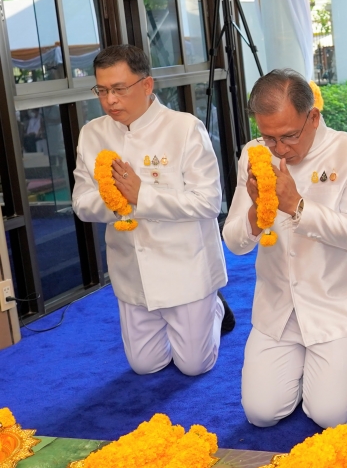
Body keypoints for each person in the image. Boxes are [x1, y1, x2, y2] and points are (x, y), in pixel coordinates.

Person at [223, 69, 347, 429]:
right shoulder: (253, 153)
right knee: (261, 414)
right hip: (277, 308)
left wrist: (296, 205)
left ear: (313, 117)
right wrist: (255, 211)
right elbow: (233, 241)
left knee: (329, 416)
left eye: (289, 136)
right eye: (269, 137)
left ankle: (342, 363)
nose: (279, 149)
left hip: (338, 307)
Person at [72, 45, 232, 377]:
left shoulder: (184, 128)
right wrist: (119, 202)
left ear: (147, 85)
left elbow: (208, 201)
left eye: (119, 89)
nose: (110, 100)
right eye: (102, 90)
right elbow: (82, 203)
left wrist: (142, 196)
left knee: (194, 366)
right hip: (132, 270)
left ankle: (213, 308)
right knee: (145, 366)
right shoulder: (92, 134)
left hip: (184, 266)